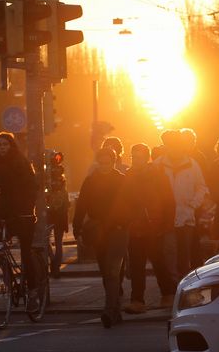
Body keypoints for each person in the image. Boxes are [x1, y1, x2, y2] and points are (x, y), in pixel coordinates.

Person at [0, 132, 39, 311]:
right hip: (6, 214)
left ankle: (33, 293)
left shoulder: (21, 163)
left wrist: (26, 209)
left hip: (23, 215)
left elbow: (32, 188)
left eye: (5, 144)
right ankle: (8, 275)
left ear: (12, 146)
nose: (2, 148)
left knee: (26, 253)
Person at [73, 147, 132, 328]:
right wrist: (77, 227)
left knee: (113, 270)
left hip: (118, 230)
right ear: (97, 162)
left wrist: (126, 222)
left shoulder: (122, 180)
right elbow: (81, 205)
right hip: (98, 232)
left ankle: (108, 310)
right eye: (101, 162)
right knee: (107, 272)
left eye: (108, 162)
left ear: (114, 162)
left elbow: (131, 204)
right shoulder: (90, 181)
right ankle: (115, 308)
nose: (104, 166)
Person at [153, 129, 208, 305]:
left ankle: (184, 294)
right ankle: (173, 292)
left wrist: (193, 203)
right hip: (166, 220)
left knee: (185, 258)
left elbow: (201, 186)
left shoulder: (192, 164)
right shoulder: (158, 165)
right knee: (169, 256)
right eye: (170, 144)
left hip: (186, 218)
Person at [124, 142, 175, 315]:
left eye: (138, 157)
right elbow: (123, 201)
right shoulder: (128, 175)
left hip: (155, 225)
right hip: (136, 226)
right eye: (133, 157)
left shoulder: (157, 175)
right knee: (136, 265)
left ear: (146, 158)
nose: (135, 160)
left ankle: (168, 294)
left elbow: (168, 200)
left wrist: (166, 223)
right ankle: (137, 300)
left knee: (158, 261)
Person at [45, 151, 69, 278]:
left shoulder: (46, 174)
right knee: (58, 241)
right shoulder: (60, 174)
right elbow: (65, 197)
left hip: (49, 211)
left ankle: (53, 261)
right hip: (59, 211)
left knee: (46, 239)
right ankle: (56, 266)